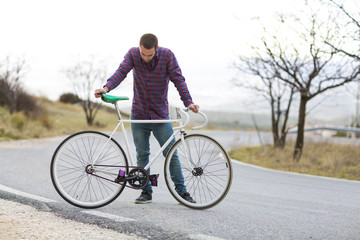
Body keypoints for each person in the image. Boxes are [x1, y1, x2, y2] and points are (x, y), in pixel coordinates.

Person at [94, 33, 199, 204]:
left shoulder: (167, 55)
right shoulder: (133, 54)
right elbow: (121, 72)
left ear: (156, 50)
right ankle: (145, 192)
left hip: (160, 116)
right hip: (139, 114)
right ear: (140, 48)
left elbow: (178, 79)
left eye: (149, 55)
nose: (146, 58)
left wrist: (189, 102)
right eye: (143, 54)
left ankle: (182, 193)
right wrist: (106, 88)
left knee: (171, 153)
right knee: (142, 154)